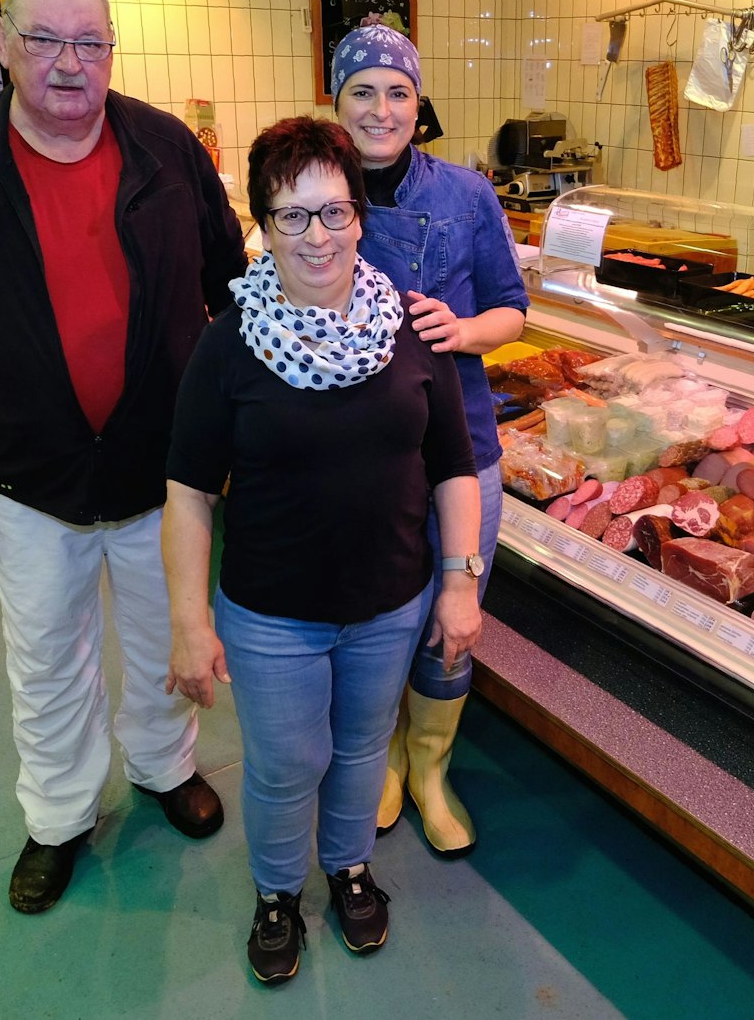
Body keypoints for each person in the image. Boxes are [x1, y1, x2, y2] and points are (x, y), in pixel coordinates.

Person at [0, 0, 245, 915]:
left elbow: (231, 294)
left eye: (90, 42)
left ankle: (166, 770)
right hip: (25, 471)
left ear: (112, 49)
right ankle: (57, 817)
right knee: (46, 653)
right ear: (1, 42)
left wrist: (242, 439)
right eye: (44, 39)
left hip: (162, 467)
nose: (69, 64)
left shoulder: (170, 150)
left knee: (171, 634)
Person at [162, 116, 483, 982]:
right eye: (293, 216)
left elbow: (453, 466)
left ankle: (347, 868)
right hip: (271, 611)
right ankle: (276, 891)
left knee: (358, 749)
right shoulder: (227, 343)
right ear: (263, 225)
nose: (318, 236)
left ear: (359, 217)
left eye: (335, 213)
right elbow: (188, 493)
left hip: (390, 600)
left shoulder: (410, 329)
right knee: (283, 762)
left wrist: (460, 582)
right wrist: (190, 622)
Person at [331, 24, 528, 855]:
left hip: (461, 447)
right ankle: (375, 763)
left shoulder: (468, 195)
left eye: (398, 91)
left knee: (455, 615)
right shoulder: (317, 189)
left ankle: (430, 768)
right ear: (336, 102)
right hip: (355, 452)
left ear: (420, 102)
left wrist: (466, 327)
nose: (382, 109)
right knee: (370, 615)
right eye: (363, 91)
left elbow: (514, 308)